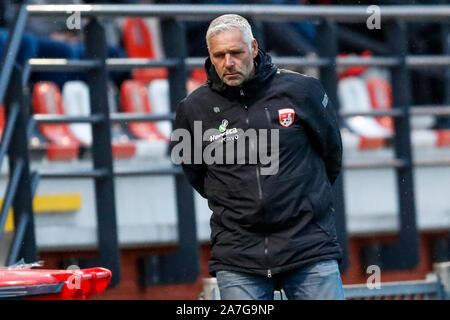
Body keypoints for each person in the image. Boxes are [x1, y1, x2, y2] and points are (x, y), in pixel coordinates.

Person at [171, 14, 345, 300]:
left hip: (308, 245)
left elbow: (331, 155)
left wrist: (304, 201)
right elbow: (196, 174)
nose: (228, 62)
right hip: (238, 255)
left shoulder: (303, 91)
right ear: (210, 57)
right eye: (219, 55)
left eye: (236, 53)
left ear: (253, 48)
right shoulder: (193, 109)